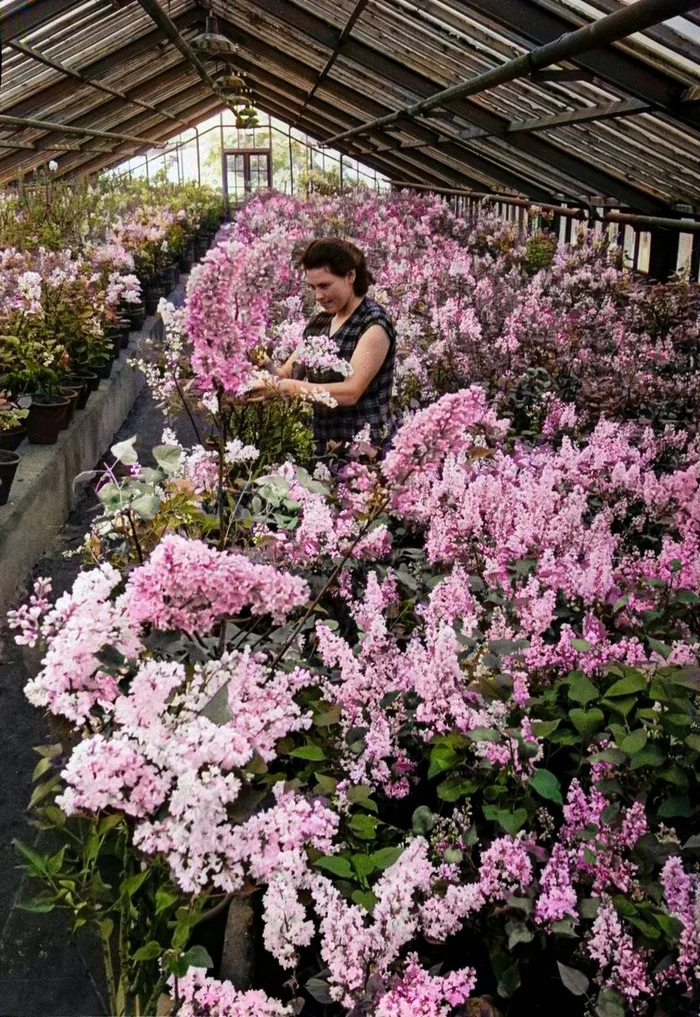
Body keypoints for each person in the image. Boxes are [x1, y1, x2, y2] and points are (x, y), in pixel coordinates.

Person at [255, 237, 396, 456]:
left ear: (350, 276)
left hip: (364, 454)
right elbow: (288, 373)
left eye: (325, 285)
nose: (319, 296)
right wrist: (264, 368)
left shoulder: (373, 324)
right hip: (324, 448)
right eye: (312, 287)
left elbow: (351, 392)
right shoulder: (320, 323)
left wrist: (282, 388)